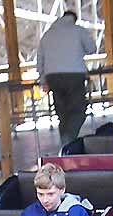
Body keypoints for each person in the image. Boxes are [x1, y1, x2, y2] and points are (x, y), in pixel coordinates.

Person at [37, 10, 96, 146]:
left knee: (62, 112)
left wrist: (43, 80)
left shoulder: (47, 34)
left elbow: (40, 59)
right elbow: (92, 48)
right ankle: (69, 138)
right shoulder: (78, 30)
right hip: (74, 74)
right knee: (78, 110)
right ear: (74, 19)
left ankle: (65, 143)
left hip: (52, 76)